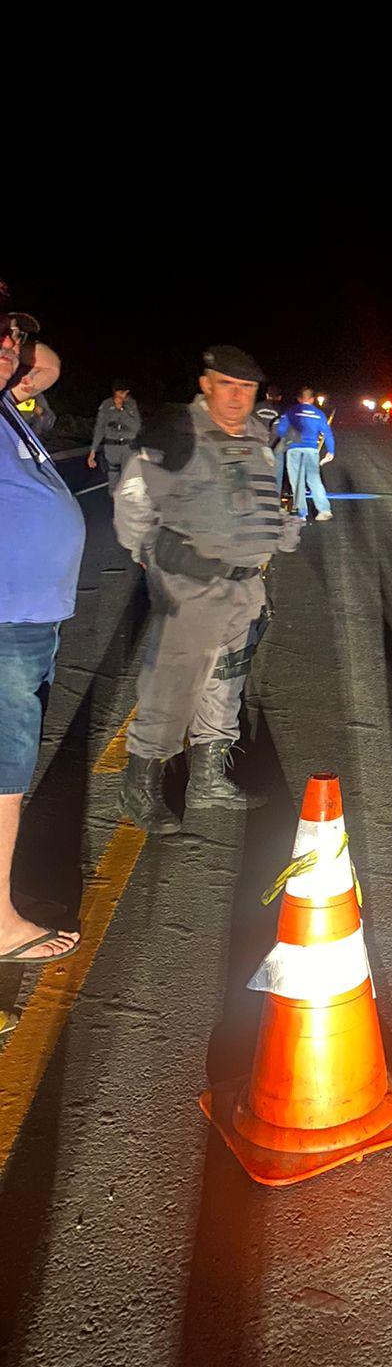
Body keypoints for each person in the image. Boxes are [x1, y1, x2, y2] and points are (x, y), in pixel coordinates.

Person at [113, 345, 303, 833]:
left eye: (246, 388)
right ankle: (139, 790)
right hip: (193, 585)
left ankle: (209, 781)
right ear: (206, 384)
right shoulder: (177, 432)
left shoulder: (259, 437)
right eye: (227, 385)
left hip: (245, 588)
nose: (237, 397)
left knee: (225, 686)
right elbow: (134, 496)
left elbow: (255, 499)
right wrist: (149, 554)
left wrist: (278, 529)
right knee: (172, 688)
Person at [0, 294, 85, 963]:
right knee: (3, 765)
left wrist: (14, 355)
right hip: (4, 620)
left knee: (11, 762)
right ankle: (0, 924)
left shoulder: (10, 409)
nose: (12, 347)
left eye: (11, 336)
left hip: (29, 620)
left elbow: (47, 364)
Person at [276, 386, 335, 521]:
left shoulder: (291, 411)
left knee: (297, 481)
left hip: (294, 449)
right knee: (314, 480)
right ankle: (324, 510)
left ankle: (302, 513)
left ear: (299, 399)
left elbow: (281, 430)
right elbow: (327, 433)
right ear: (313, 400)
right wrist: (331, 450)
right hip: (311, 450)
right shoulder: (319, 414)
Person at [87, 379, 141, 494]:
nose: (120, 395)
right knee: (113, 474)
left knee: (129, 477)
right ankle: (114, 501)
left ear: (127, 392)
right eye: (118, 392)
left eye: (123, 392)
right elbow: (99, 427)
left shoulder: (131, 404)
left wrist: (121, 410)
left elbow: (136, 426)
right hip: (111, 446)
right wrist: (93, 450)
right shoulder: (106, 405)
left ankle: (130, 502)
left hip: (128, 446)